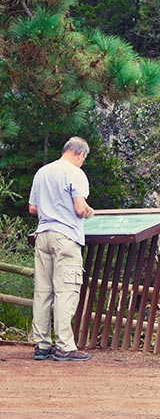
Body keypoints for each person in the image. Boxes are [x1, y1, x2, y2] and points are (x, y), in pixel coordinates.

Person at [28, 136, 95, 362]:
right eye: (83, 158)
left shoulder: (42, 173)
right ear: (79, 154)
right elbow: (78, 208)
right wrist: (88, 211)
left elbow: (33, 208)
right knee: (66, 290)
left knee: (43, 290)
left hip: (43, 234)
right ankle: (65, 346)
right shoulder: (76, 173)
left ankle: (42, 344)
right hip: (66, 237)